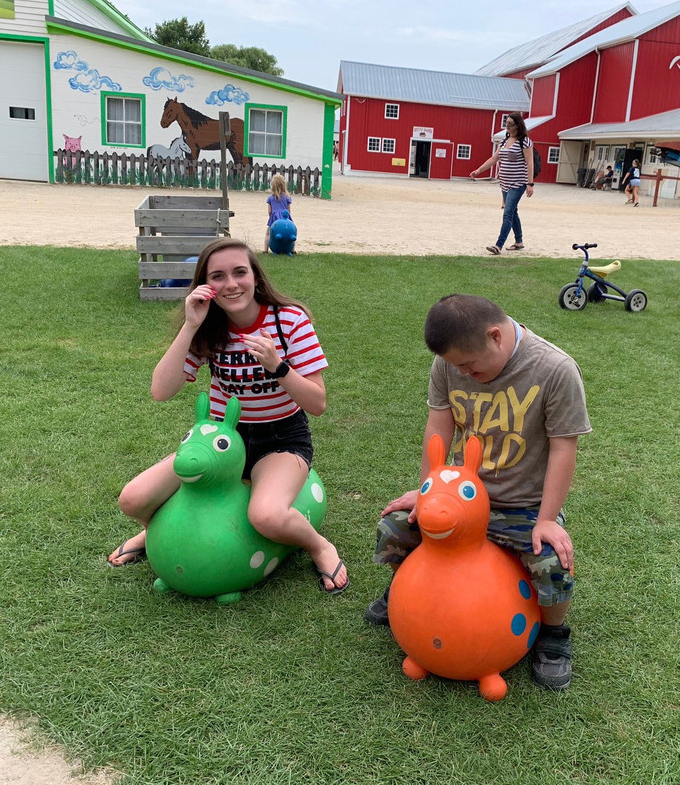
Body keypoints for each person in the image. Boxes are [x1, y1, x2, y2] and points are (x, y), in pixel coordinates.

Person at [364, 294, 592, 690]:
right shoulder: (449, 363)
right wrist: (427, 492)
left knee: (552, 561)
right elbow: (439, 427)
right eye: (456, 366)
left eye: (468, 365)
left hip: (522, 505)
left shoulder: (555, 369)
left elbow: (563, 449)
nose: (462, 373)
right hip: (459, 498)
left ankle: (554, 635)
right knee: (395, 527)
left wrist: (546, 519)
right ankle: (407, 595)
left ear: (495, 336)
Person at [107, 238, 349, 594]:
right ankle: (154, 531)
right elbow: (161, 390)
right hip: (220, 443)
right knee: (133, 499)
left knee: (266, 515)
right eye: (218, 276)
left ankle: (319, 546)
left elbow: (317, 403)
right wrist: (190, 326)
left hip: (280, 440)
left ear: (256, 276)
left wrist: (277, 366)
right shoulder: (209, 325)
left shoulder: (289, 320)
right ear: (205, 285)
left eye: (240, 272)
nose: (231, 284)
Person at [469, 113, 535, 255]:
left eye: (510, 124)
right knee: (513, 211)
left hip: (518, 183)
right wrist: (479, 170)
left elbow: (530, 162)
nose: (507, 126)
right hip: (504, 183)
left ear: (518, 125)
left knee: (508, 213)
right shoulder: (504, 141)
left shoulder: (525, 141)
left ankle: (498, 245)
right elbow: (494, 159)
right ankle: (519, 241)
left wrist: (530, 184)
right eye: (506, 123)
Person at [264, 174, 293, 252]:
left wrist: (272, 217)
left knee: (268, 233)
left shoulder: (270, 198)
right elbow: (289, 211)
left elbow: (269, 211)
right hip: (285, 218)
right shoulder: (287, 198)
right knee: (290, 233)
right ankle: (292, 249)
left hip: (274, 219)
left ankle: (265, 250)